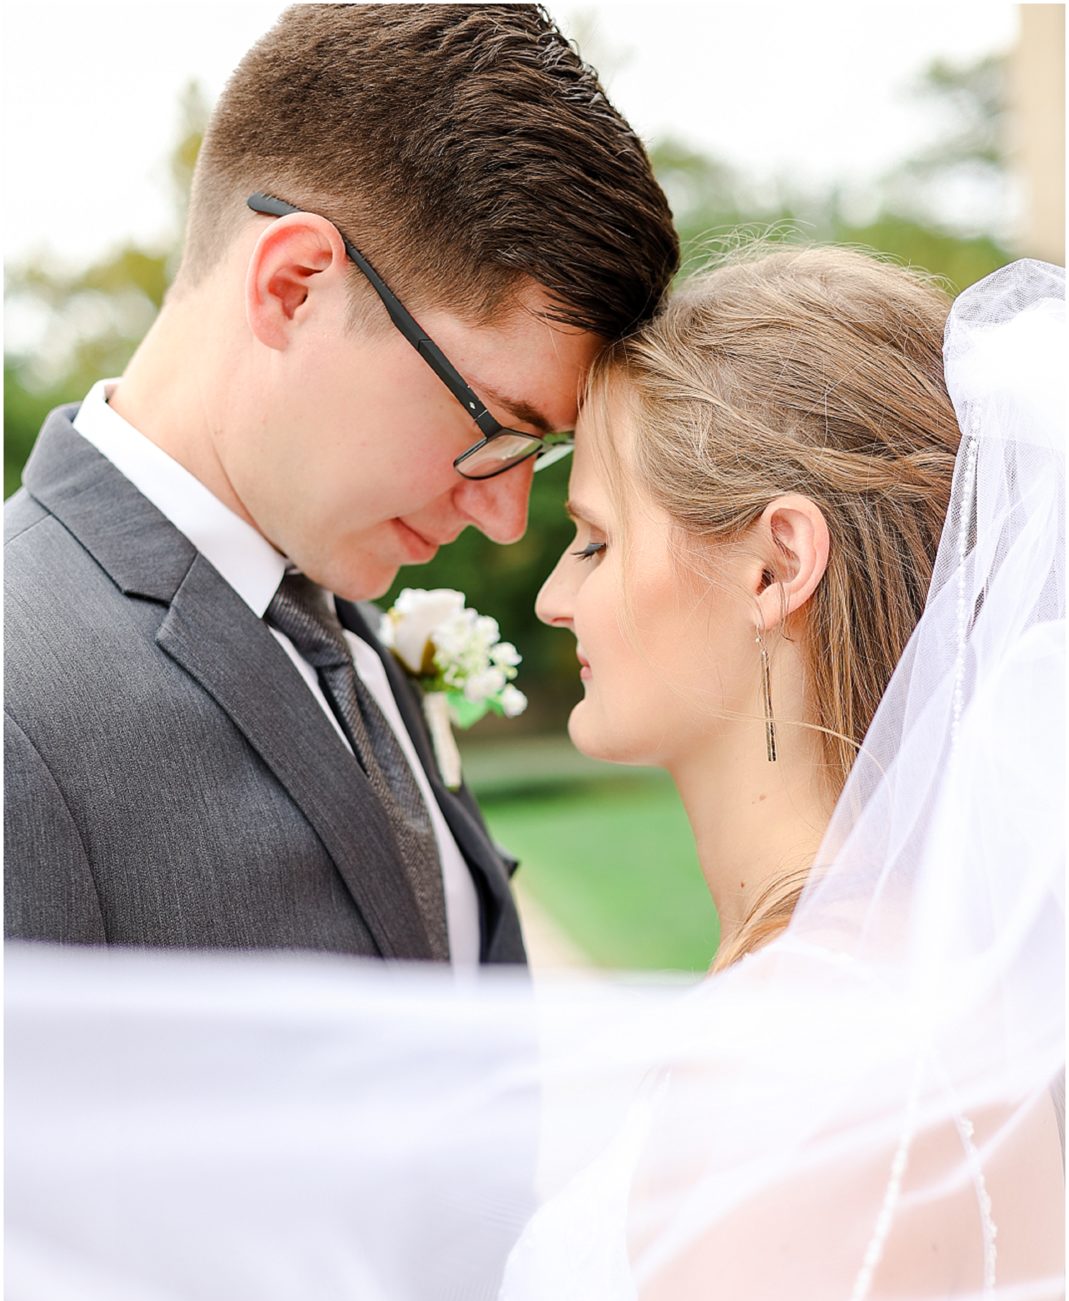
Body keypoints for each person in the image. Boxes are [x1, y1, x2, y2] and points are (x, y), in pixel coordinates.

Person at [5, 251, 1063, 1301]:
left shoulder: (800, 1075)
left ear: (774, 565)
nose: (553, 594)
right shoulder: (920, 996)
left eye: (600, 540)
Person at [3, 2, 678, 968]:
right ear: (295, 284)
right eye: (493, 427)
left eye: (539, 455)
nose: (499, 515)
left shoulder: (333, 615)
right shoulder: (16, 708)